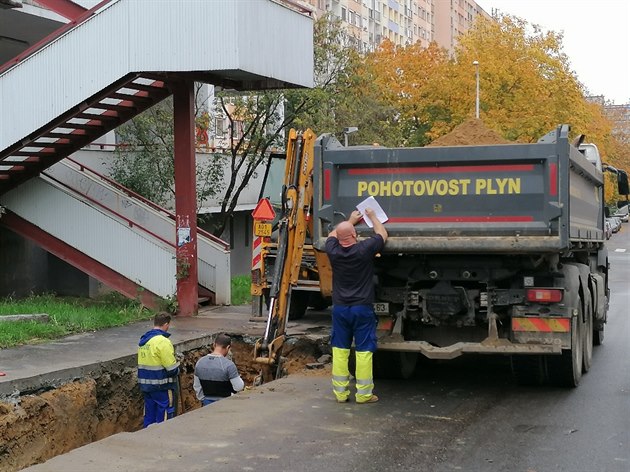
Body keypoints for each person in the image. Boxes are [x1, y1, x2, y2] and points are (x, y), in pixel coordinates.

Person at [325, 207, 387, 404]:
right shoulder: (364, 249)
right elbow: (382, 234)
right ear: (354, 235)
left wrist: (350, 220)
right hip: (361, 308)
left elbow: (332, 235)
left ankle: (341, 394)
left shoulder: (333, 252)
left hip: (340, 308)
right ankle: (364, 395)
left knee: (340, 350)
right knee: (363, 351)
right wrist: (372, 217)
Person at [137, 312, 179, 427]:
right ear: (166, 324)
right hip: (162, 387)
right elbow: (171, 369)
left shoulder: (144, 341)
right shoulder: (163, 341)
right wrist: (178, 366)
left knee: (149, 414)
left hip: (146, 386)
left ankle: (147, 438)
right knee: (164, 415)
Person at [193, 333, 244, 406]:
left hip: (207, 404)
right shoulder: (229, 365)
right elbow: (239, 387)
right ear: (228, 347)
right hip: (226, 404)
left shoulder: (200, 363)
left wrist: (203, 399)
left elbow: (197, 386)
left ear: (214, 345)